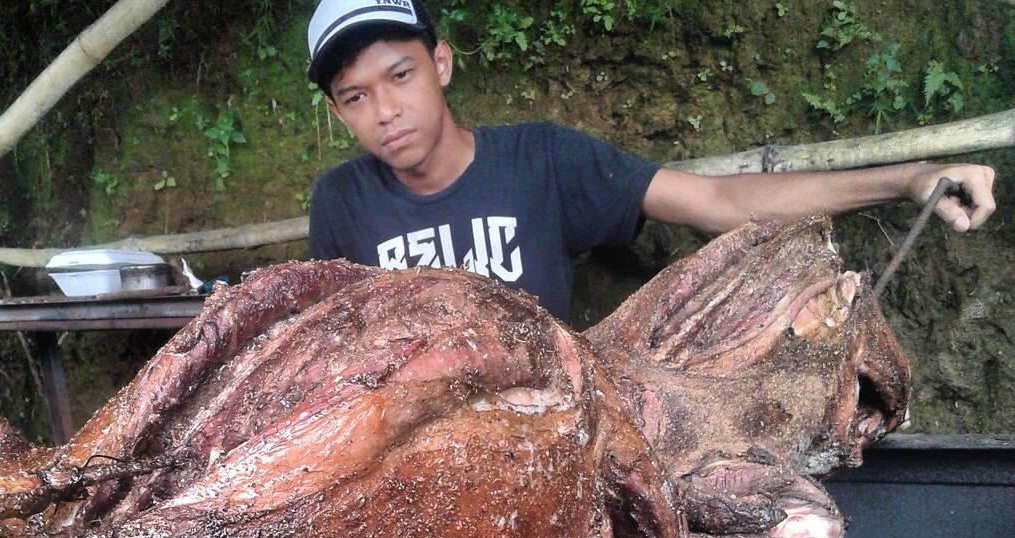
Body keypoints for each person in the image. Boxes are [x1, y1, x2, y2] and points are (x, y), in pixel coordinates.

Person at [304, 0, 998, 324]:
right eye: (356, 96)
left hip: (551, 434)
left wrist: (907, 178)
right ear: (339, 112)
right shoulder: (341, 202)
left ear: (442, 63)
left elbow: (718, 204)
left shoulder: (542, 161)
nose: (386, 111)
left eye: (400, 76)